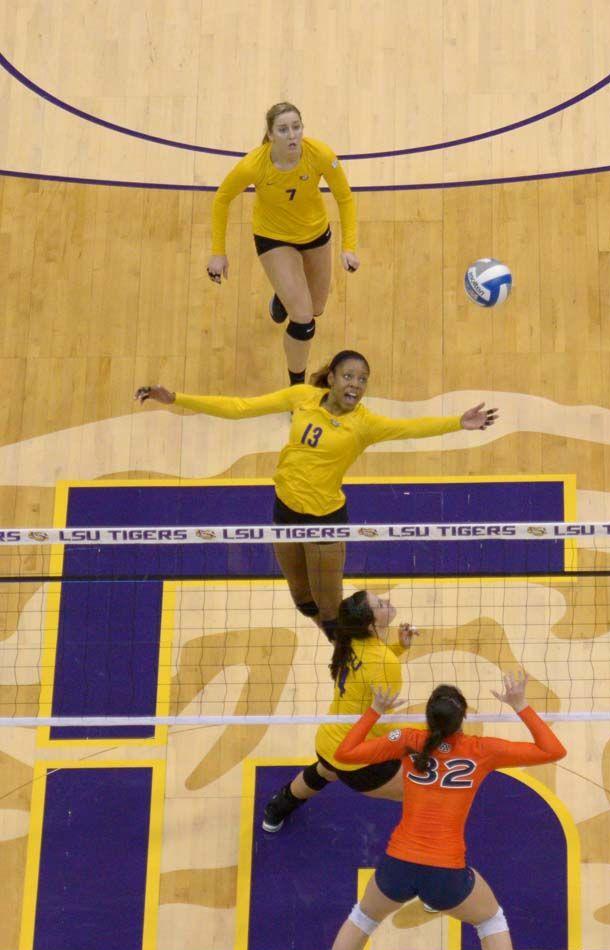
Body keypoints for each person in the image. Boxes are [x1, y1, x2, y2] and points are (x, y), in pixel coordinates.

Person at [135, 350, 498, 641]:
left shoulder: (366, 424)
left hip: (325, 522)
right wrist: (177, 398)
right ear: (332, 378)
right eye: (349, 376)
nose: (356, 385)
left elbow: (411, 428)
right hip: (286, 512)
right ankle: (345, 646)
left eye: (363, 380)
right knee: (301, 597)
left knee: (329, 609)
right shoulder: (302, 398)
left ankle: (356, 659)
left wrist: (457, 423)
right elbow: (240, 408)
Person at [301, 671, 566, 950]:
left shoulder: (409, 741)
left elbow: (344, 755)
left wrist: (375, 711)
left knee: (362, 919)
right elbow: (553, 750)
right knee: (491, 921)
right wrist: (520, 705)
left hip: (399, 865)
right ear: (464, 719)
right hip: (447, 875)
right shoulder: (481, 750)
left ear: (428, 718)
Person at [206, 101, 359, 385]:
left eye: (296, 128)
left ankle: (283, 297)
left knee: (316, 308)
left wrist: (348, 247)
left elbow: (345, 198)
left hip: (315, 234)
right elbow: (222, 199)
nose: (292, 135)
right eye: (283, 129)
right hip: (274, 239)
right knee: (303, 320)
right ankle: (296, 387)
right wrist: (218, 252)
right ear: (271, 133)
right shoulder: (254, 165)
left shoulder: (320, 155)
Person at [261, 590, 419, 832]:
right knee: (421, 789)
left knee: (325, 772)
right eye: (379, 603)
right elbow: (382, 720)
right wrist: (404, 745)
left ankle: (277, 808)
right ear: (371, 623)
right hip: (358, 758)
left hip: (329, 742)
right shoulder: (386, 663)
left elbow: (369, 669)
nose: (387, 602)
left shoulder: (350, 640)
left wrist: (399, 646)